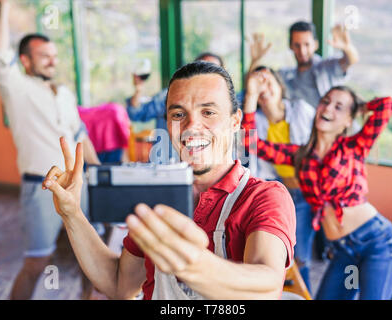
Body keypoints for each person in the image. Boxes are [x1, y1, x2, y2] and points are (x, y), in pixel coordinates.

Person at [42, 61, 296, 300]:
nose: (191, 126)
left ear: (235, 121)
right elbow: (119, 283)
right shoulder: (155, 197)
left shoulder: (265, 197)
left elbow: (268, 284)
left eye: (208, 112)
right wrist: (72, 213)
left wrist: (195, 266)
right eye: (178, 114)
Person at [242, 85, 392, 299]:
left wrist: (360, 106)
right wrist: (252, 98)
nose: (329, 108)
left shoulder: (355, 146)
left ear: (348, 120)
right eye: (326, 101)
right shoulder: (300, 155)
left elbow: (386, 105)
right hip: (343, 252)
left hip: (377, 244)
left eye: (339, 107)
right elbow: (251, 143)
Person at [0, 0, 101, 300]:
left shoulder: (64, 92)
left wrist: (100, 170)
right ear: (25, 61)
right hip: (41, 187)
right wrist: (6, 8)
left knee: (92, 258)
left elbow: (80, 135)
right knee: (37, 262)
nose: (53, 62)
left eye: (54, 56)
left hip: (80, 184)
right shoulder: (17, 88)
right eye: (44, 57)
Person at [243, 66, 316, 293]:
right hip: (278, 191)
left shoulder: (301, 110)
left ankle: (305, 294)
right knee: (277, 255)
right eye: (258, 83)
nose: (264, 87)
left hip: (306, 192)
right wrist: (251, 96)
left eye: (268, 81)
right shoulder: (258, 120)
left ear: (279, 84)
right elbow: (248, 144)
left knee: (302, 256)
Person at [126, 52, 225, 131]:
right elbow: (136, 114)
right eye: (201, 69)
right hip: (168, 155)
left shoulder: (226, 102)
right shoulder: (169, 95)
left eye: (213, 70)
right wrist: (139, 89)